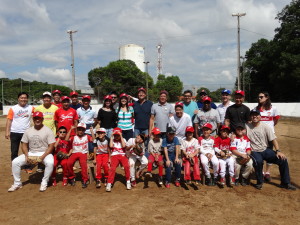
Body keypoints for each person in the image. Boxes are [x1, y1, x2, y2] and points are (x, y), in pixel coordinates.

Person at [246, 109, 296, 190]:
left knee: (283, 160)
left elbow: (273, 139)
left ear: (260, 116)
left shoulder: (265, 127)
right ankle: (259, 182)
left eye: (256, 115)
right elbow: (239, 133)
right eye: (252, 115)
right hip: (254, 151)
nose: (254, 116)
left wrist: (278, 151)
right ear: (250, 117)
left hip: (265, 150)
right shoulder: (247, 126)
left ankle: (285, 183)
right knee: (258, 161)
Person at [8, 112, 55, 192]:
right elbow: (24, 145)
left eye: (39, 118)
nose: (37, 120)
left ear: (42, 119)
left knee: (50, 163)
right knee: (15, 162)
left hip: (44, 152)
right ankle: (17, 183)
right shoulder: (28, 131)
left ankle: (44, 182)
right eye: (35, 118)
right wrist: (27, 156)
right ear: (33, 120)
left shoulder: (48, 130)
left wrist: (42, 157)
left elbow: (51, 146)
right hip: (31, 152)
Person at [254, 91, 280, 182]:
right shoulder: (256, 108)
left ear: (267, 97)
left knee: (269, 154)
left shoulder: (273, 108)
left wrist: (270, 129)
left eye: (261, 97)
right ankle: (261, 172)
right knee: (260, 153)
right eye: (258, 97)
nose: (259, 98)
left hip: (269, 136)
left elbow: (276, 120)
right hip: (258, 136)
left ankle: (267, 172)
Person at [5, 92, 34, 173]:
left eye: (25, 98)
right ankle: (14, 168)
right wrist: (7, 132)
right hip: (14, 132)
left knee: (27, 150)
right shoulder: (13, 108)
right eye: (21, 97)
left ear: (27, 99)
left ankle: (27, 166)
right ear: (18, 98)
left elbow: (37, 117)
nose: (23, 99)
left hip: (26, 133)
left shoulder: (31, 108)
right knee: (14, 151)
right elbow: (9, 120)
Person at [67, 123, 95, 188]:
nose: (80, 131)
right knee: (69, 163)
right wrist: (71, 129)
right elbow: (66, 139)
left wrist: (92, 132)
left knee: (83, 164)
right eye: (79, 129)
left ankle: (85, 179)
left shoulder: (87, 136)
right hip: (75, 152)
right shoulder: (74, 137)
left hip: (83, 153)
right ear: (77, 130)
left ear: (84, 130)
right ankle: (72, 177)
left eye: (82, 130)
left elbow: (93, 140)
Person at [106, 128, 131, 192]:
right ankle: (109, 183)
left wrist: (121, 136)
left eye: (118, 135)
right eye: (115, 135)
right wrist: (111, 137)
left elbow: (123, 146)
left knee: (126, 166)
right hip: (115, 155)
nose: (116, 137)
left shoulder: (123, 139)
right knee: (112, 168)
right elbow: (111, 146)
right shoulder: (112, 140)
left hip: (122, 155)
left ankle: (128, 181)